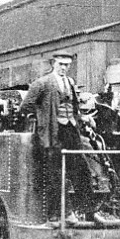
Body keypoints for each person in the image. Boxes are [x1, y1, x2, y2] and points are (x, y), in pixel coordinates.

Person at [20, 50, 92, 222]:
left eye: (67, 65)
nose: (64, 68)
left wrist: (82, 117)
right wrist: (44, 117)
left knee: (81, 168)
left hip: (71, 131)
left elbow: (73, 107)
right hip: (53, 133)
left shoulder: (70, 82)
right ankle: (63, 213)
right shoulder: (42, 83)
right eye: (61, 64)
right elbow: (26, 106)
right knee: (57, 174)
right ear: (53, 63)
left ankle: (87, 209)